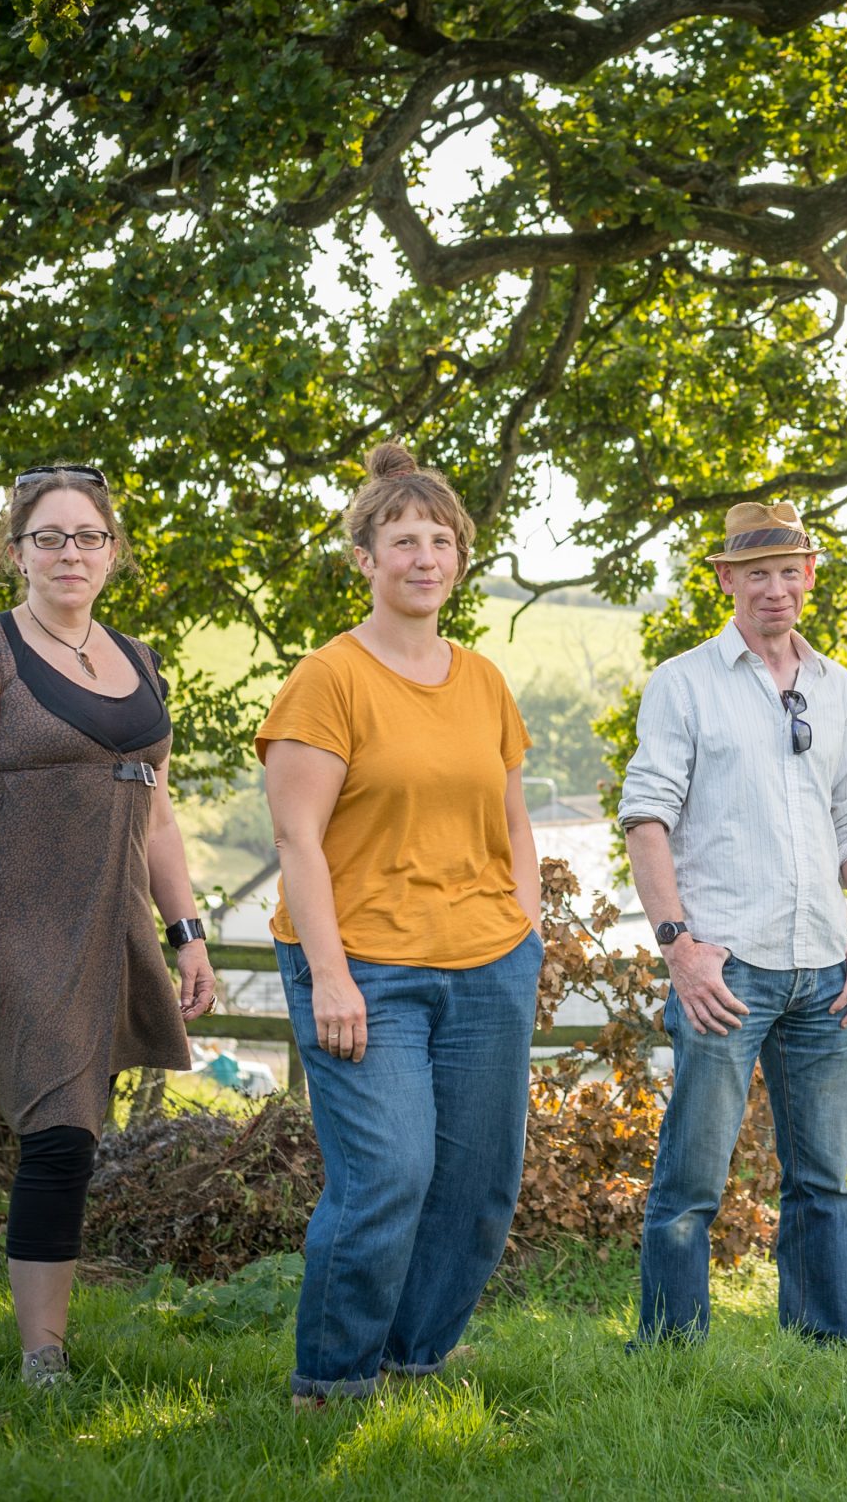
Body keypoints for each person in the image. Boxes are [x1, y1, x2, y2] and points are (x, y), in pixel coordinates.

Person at [0, 463, 219, 1388]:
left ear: (113, 553)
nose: (69, 553)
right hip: (18, 924)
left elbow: (159, 814)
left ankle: (50, 1339)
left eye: (87, 537)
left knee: (76, 1130)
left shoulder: (138, 657)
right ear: (17, 551)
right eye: (49, 537)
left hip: (112, 926)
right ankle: (44, 1357)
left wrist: (187, 928)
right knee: (60, 1130)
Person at [258, 442, 544, 1404]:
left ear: (459, 558)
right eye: (403, 540)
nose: (424, 557)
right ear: (366, 559)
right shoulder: (327, 678)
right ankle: (331, 1380)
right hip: (366, 967)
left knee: (477, 1188)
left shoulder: (484, 682)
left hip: (488, 962)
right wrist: (330, 977)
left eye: (441, 540)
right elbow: (297, 840)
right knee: (389, 1173)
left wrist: (526, 914)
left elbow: (511, 812)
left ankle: (416, 1358)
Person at [620, 501, 847, 1347]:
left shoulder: (836, 687)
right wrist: (680, 950)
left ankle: (819, 1349)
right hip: (724, 970)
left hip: (824, 969)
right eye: (756, 573)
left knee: (825, 1182)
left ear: (809, 578)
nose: (775, 588)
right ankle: (670, 1351)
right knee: (694, 1176)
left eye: (789, 570)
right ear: (725, 580)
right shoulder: (684, 682)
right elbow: (646, 819)